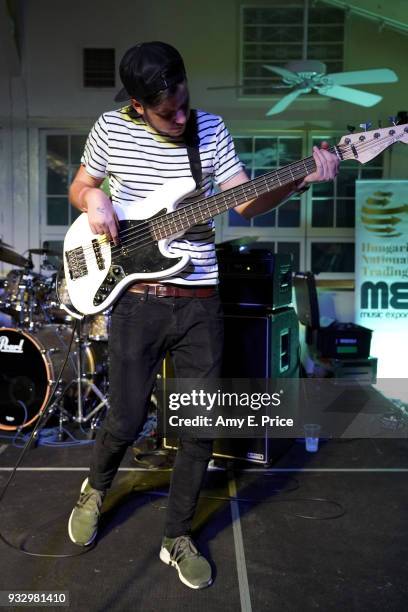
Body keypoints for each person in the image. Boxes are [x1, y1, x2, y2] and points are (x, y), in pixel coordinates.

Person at [67, 41, 339, 589]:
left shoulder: (210, 131)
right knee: (123, 418)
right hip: (136, 300)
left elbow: (244, 200)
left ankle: (177, 536)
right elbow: (81, 184)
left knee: (197, 429)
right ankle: (95, 489)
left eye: (185, 102)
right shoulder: (110, 129)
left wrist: (301, 176)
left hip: (200, 302)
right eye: (168, 112)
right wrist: (92, 200)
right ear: (139, 106)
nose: (182, 116)